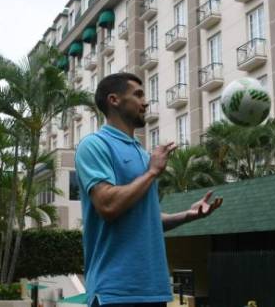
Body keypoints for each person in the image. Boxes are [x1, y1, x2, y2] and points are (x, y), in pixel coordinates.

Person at [75, 73, 223, 307]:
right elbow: (108, 205)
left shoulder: (144, 154)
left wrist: (187, 215)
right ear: (114, 100)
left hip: (154, 290)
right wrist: (152, 172)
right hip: (115, 291)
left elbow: (146, 219)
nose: (145, 102)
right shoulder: (94, 145)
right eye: (138, 94)